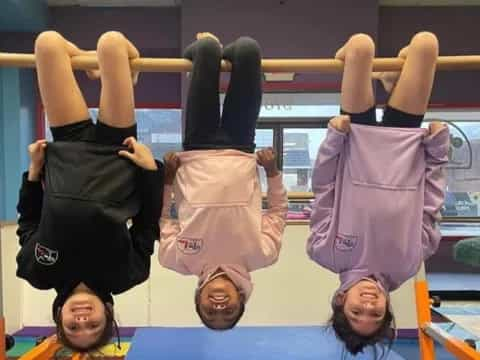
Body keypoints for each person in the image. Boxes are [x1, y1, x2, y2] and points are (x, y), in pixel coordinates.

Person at [16, 31, 163, 353]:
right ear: (108, 315)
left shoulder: (37, 272)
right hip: (117, 157)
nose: (82, 319)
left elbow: (28, 223)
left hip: (68, 152)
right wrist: (150, 170)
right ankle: (121, 70)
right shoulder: (127, 275)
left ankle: (102, 66)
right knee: (111, 43)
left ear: (59, 317)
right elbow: (148, 224)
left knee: (47, 43)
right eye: (93, 325)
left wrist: (33, 173)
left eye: (73, 326)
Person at [307, 32, 449, 356]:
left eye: (357, 312)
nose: (368, 305)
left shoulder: (325, 252)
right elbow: (431, 204)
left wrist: (333, 141)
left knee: (361, 46)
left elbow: (324, 189)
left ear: (340, 301)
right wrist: (437, 153)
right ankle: (392, 81)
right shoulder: (409, 262)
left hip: (356, 140)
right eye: (376, 313)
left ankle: (388, 78)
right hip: (404, 145)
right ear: (387, 307)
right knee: (426, 44)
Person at [159, 33, 287, 330]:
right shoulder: (262, 256)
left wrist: (167, 180)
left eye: (210, 313)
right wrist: (273, 173)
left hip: (197, 149)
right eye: (228, 313)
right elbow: (278, 213)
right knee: (248, 49)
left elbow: (164, 216)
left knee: (205, 50)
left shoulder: (176, 260)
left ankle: (208, 51)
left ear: (197, 301)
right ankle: (227, 55)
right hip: (240, 147)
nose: (219, 307)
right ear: (242, 300)